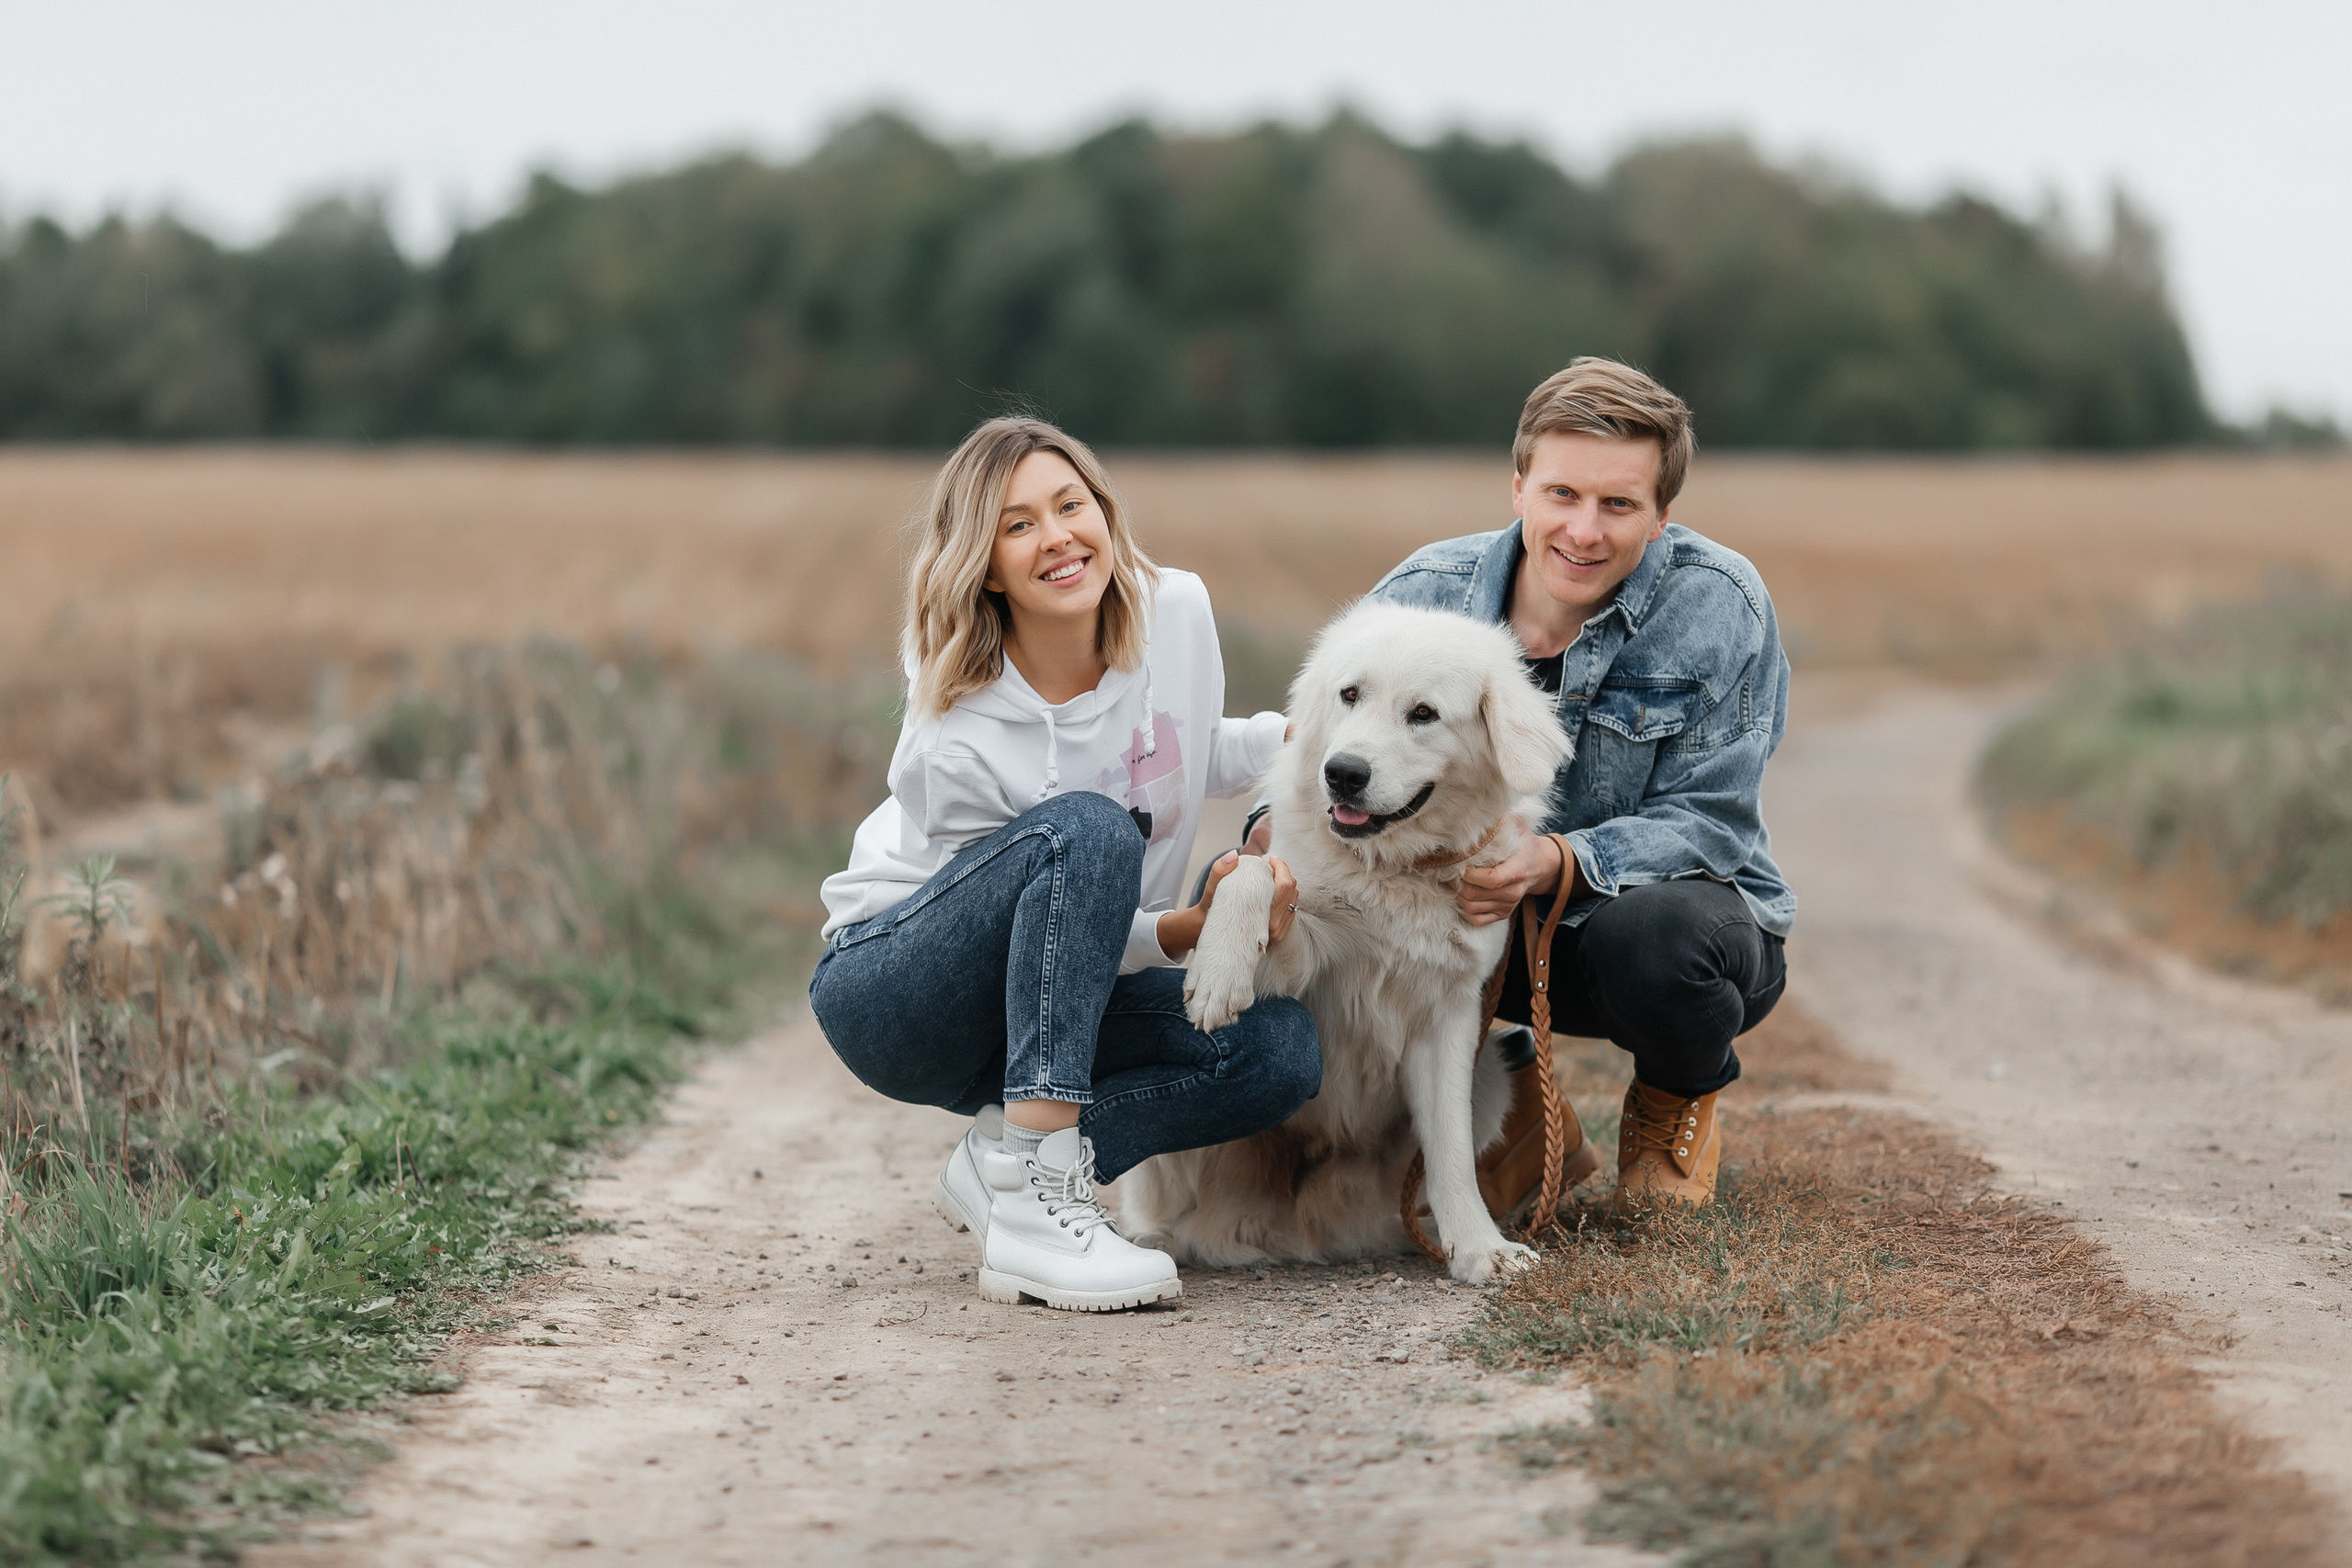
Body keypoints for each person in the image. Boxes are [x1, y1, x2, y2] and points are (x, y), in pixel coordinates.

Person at [1247, 358, 1793, 1210]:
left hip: (1637, 926)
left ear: (1661, 516)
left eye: (1619, 504)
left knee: (1660, 940)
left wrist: (1556, 858)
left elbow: (1712, 821)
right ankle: (1522, 1112)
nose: (1584, 530)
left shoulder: (1720, 604)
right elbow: (1319, 742)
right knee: (1361, 942)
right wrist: (1263, 844)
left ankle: (1671, 1103)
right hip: (1453, 914)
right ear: (1518, 487)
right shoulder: (1420, 596)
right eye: (1562, 494)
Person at [811, 415, 1319, 1313]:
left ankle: (1008, 1161)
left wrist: (1314, 752)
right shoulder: (955, 737)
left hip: (1052, 995)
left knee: (1274, 1051)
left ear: (1102, 511)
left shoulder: (1175, 613)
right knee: (1085, 830)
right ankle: (1037, 1214)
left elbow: (1198, 747)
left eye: (1069, 505)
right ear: (986, 563)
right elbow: (1027, 915)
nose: (1057, 538)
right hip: (903, 991)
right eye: (1017, 525)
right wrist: (1176, 932)